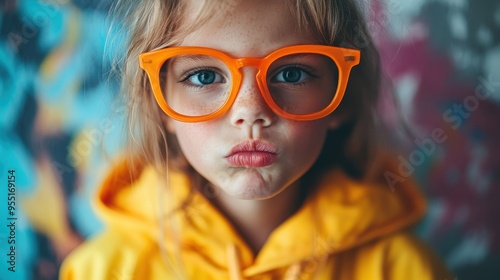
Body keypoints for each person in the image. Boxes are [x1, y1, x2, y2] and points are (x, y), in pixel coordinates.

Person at [60, 0, 453, 279]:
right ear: (160, 105)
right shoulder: (101, 271)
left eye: (292, 74)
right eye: (205, 77)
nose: (251, 111)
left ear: (342, 98)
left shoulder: (405, 269)